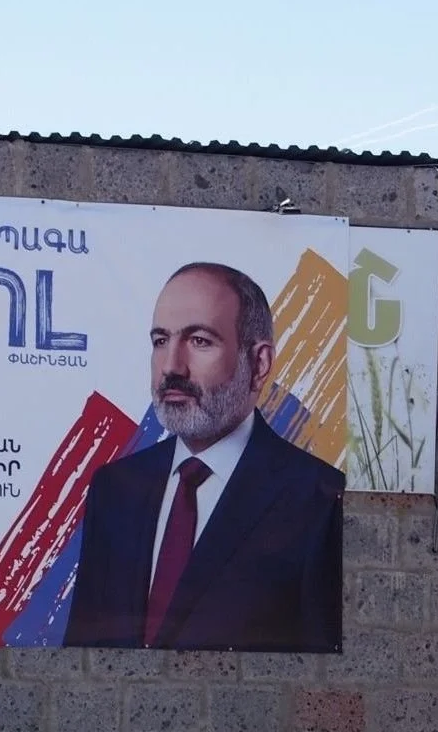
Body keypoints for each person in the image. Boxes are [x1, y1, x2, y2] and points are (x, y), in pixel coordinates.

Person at [64, 261, 343, 651]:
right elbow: (81, 657)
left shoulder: (320, 499)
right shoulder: (115, 489)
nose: (171, 366)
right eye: (160, 341)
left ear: (259, 364)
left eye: (199, 341)